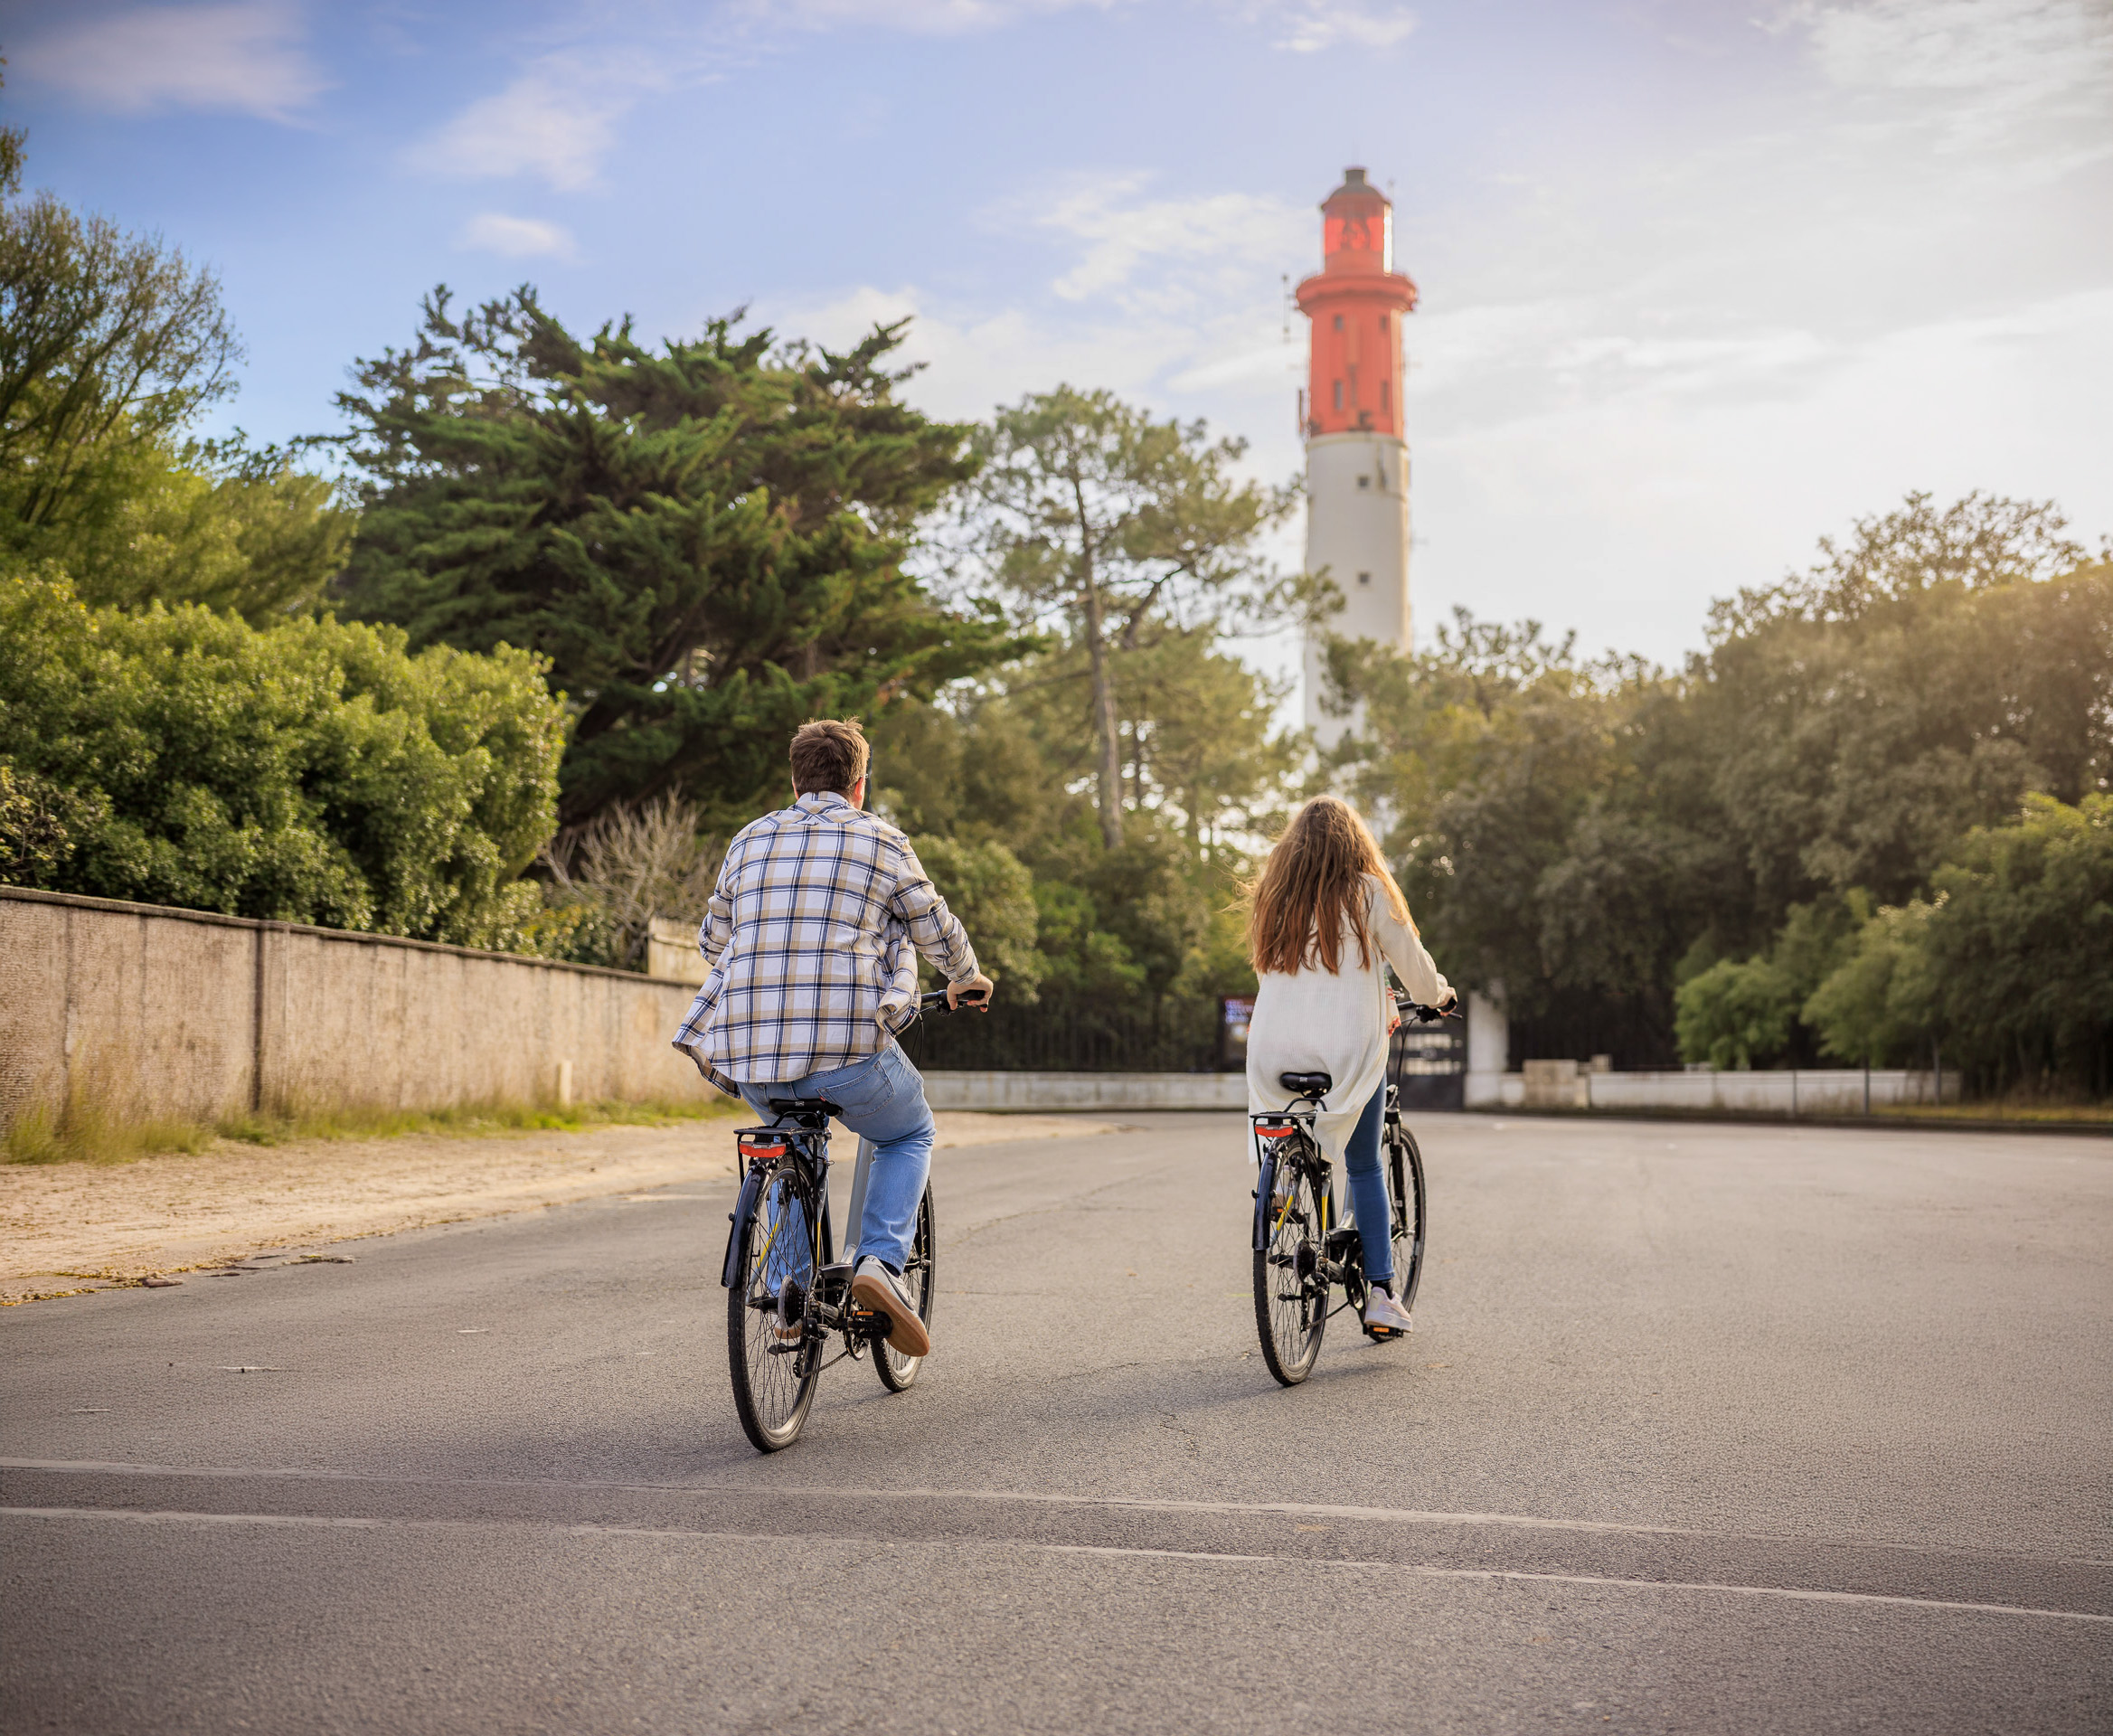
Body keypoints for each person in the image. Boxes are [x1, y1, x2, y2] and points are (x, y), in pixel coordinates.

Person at [672, 719, 992, 1359]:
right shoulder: (879, 838)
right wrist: (967, 977)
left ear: (794, 780)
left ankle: (789, 1296)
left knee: (792, 1142)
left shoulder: (749, 838)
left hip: (751, 1055)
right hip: (845, 1052)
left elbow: (713, 941)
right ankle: (881, 1263)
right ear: (859, 784)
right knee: (908, 1132)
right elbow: (933, 926)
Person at [1246, 795, 1453, 1337]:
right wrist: (1438, 994)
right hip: (1345, 1051)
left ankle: (1291, 1203)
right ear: (1353, 842)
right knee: (1363, 1163)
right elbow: (1412, 964)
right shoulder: (1368, 890)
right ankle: (1382, 1295)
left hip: (1274, 1051)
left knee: (1303, 1137)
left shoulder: (1276, 896)